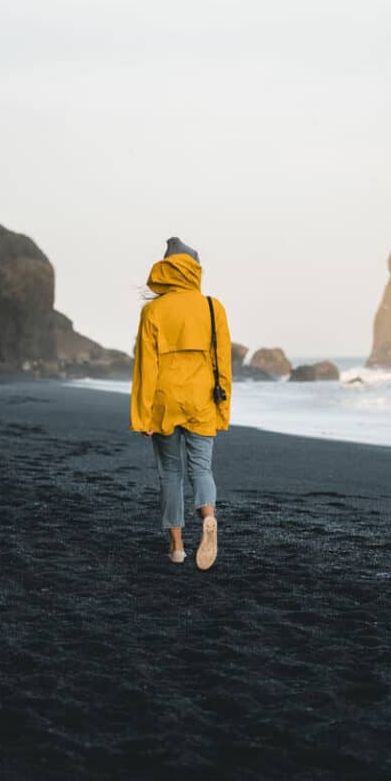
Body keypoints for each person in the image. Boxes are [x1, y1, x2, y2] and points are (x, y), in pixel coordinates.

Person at [130, 237, 231, 570]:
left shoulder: (153, 310)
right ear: (195, 268)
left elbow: (146, 367)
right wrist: (223, 411)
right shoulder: (213, 307)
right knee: (201, 469)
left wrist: (142, 416)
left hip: (164, 401)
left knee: (170, 474)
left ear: (166, 268)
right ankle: (208, 517)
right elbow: (223, 364)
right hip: (201, 400)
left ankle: (176, 547)